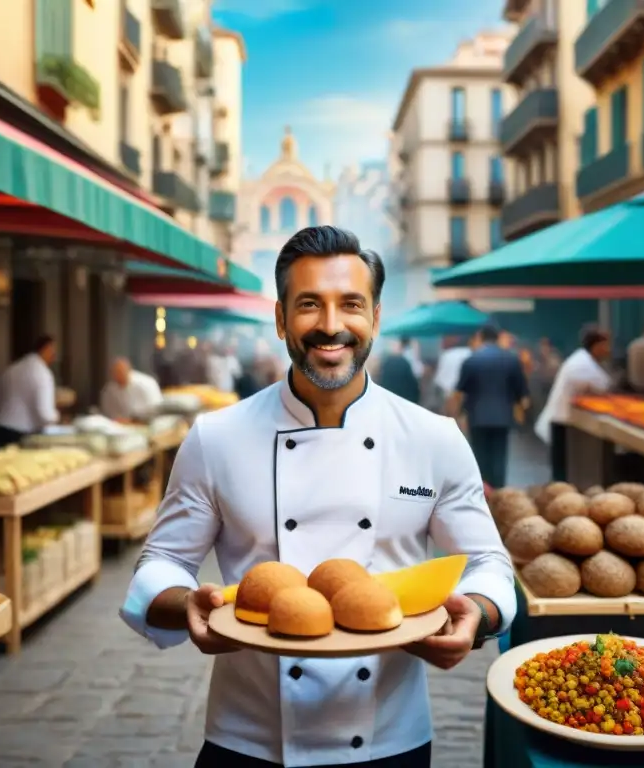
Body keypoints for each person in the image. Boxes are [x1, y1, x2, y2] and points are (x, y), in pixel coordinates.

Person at [121, 225, 515, 768]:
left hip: (390, 739)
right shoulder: (216, 437)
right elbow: (162, 563)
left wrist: (479, 613)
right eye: (309, 304)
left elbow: (488, 563)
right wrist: (186, 603)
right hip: (248, 737)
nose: (331, 326)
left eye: (351, 304)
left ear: (375, 317)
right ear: (281, 319)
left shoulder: (434, 437)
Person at [450, 324, 529, 489]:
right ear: (498, 337)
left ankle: (482, 494)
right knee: (499, 457)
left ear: (481, 337)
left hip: (477, 416)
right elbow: (522, 395)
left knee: (479, 457)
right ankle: (498, 493)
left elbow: (459, 392)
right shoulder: (512, 359)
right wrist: (521, 417)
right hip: (503, 417)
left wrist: (455, 416)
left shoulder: (472, 360)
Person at [536, 328, 613, 482]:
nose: (608, 350)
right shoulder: (582, 364)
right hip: (561, 421)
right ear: (596, 345)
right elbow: (604, 386)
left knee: (563, 470)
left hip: (565, 420)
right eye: (605, 345)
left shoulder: (583, 359)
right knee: (561, 472)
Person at [0, 335, 59, 450]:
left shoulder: (12, 368)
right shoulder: (42, 373)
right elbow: (45, 415)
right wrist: (58, 418)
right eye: (53, 351)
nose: (54, 357)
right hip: (19, 436)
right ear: (46, 348)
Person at [99, 357, 163, 423]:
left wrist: (134, 420)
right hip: (120, 426)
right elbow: (108, 413)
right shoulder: (110, 389)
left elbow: (156, 409)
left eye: (120, 372)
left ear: (128, 369)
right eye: (115, 373)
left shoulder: (146, 384)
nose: (118, 376)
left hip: (148, 423)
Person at [432, 336, 472, 414]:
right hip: (467, 397)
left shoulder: (447, 354)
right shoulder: (471, 353)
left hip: (449, 394)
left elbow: (438, 381)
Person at [378, 338, 421, 403]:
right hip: (404, 400)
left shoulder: (386, 362)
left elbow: (382, 380)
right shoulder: (405, 362)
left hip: (388, 400)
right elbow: (413, 383)